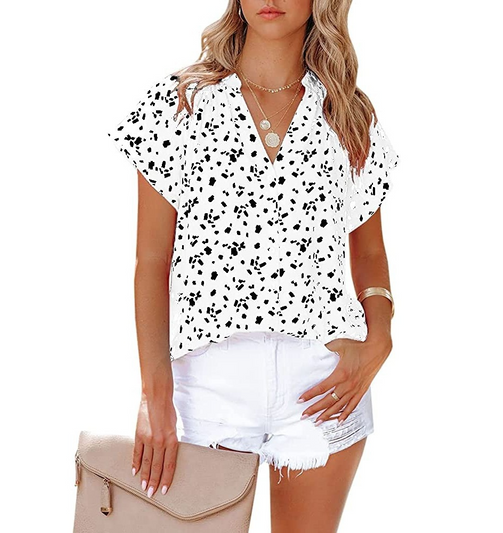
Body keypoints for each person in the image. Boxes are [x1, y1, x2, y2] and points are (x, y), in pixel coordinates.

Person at [108, 1, 400, 531]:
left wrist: (380, 338)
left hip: (323, 383)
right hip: (207, 387)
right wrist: (154, 396)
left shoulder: (348, 113)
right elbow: (151, 261)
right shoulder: (180, 103)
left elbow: (369, 251)